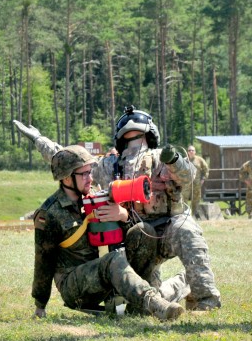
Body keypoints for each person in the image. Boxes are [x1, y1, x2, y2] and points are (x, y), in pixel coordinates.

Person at [15, 126, 184, 321]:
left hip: (105, 275)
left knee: (142, 231)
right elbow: (43, 261)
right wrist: (40, 306)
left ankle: (151, 298)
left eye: (90, 172)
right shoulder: (50, 213)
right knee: (112, 260)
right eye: (84, 174)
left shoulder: (94, 195)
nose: (91, 178)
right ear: (68, 177)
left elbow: (119, 233)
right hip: (75, 285)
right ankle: (156, 304)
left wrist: (122, 215)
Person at [93, 106, 221, 311]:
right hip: (136, 237)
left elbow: (188, 176)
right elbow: (79, 167)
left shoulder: (163, 158)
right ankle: (183, 284)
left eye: (139, 138)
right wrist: (42, 142)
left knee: (189, 231)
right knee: (145, 302)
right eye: (129, 139)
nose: (135, 145)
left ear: (149, 137)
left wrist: (174, 161)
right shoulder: (110, 165)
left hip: (170, 228)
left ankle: (206, 299)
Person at [184, 145, 209, 218]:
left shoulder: (199, 160)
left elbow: (206, 169)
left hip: (196, 184)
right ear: (187, 152)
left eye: (192, 150)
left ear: (195, 152)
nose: (191, 152)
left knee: (196, 199)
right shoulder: (184, 160)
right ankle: (186, 215)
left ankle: (194, 215)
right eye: (189, 150)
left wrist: (203, 178)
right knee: (183, 198)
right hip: (186, 184)